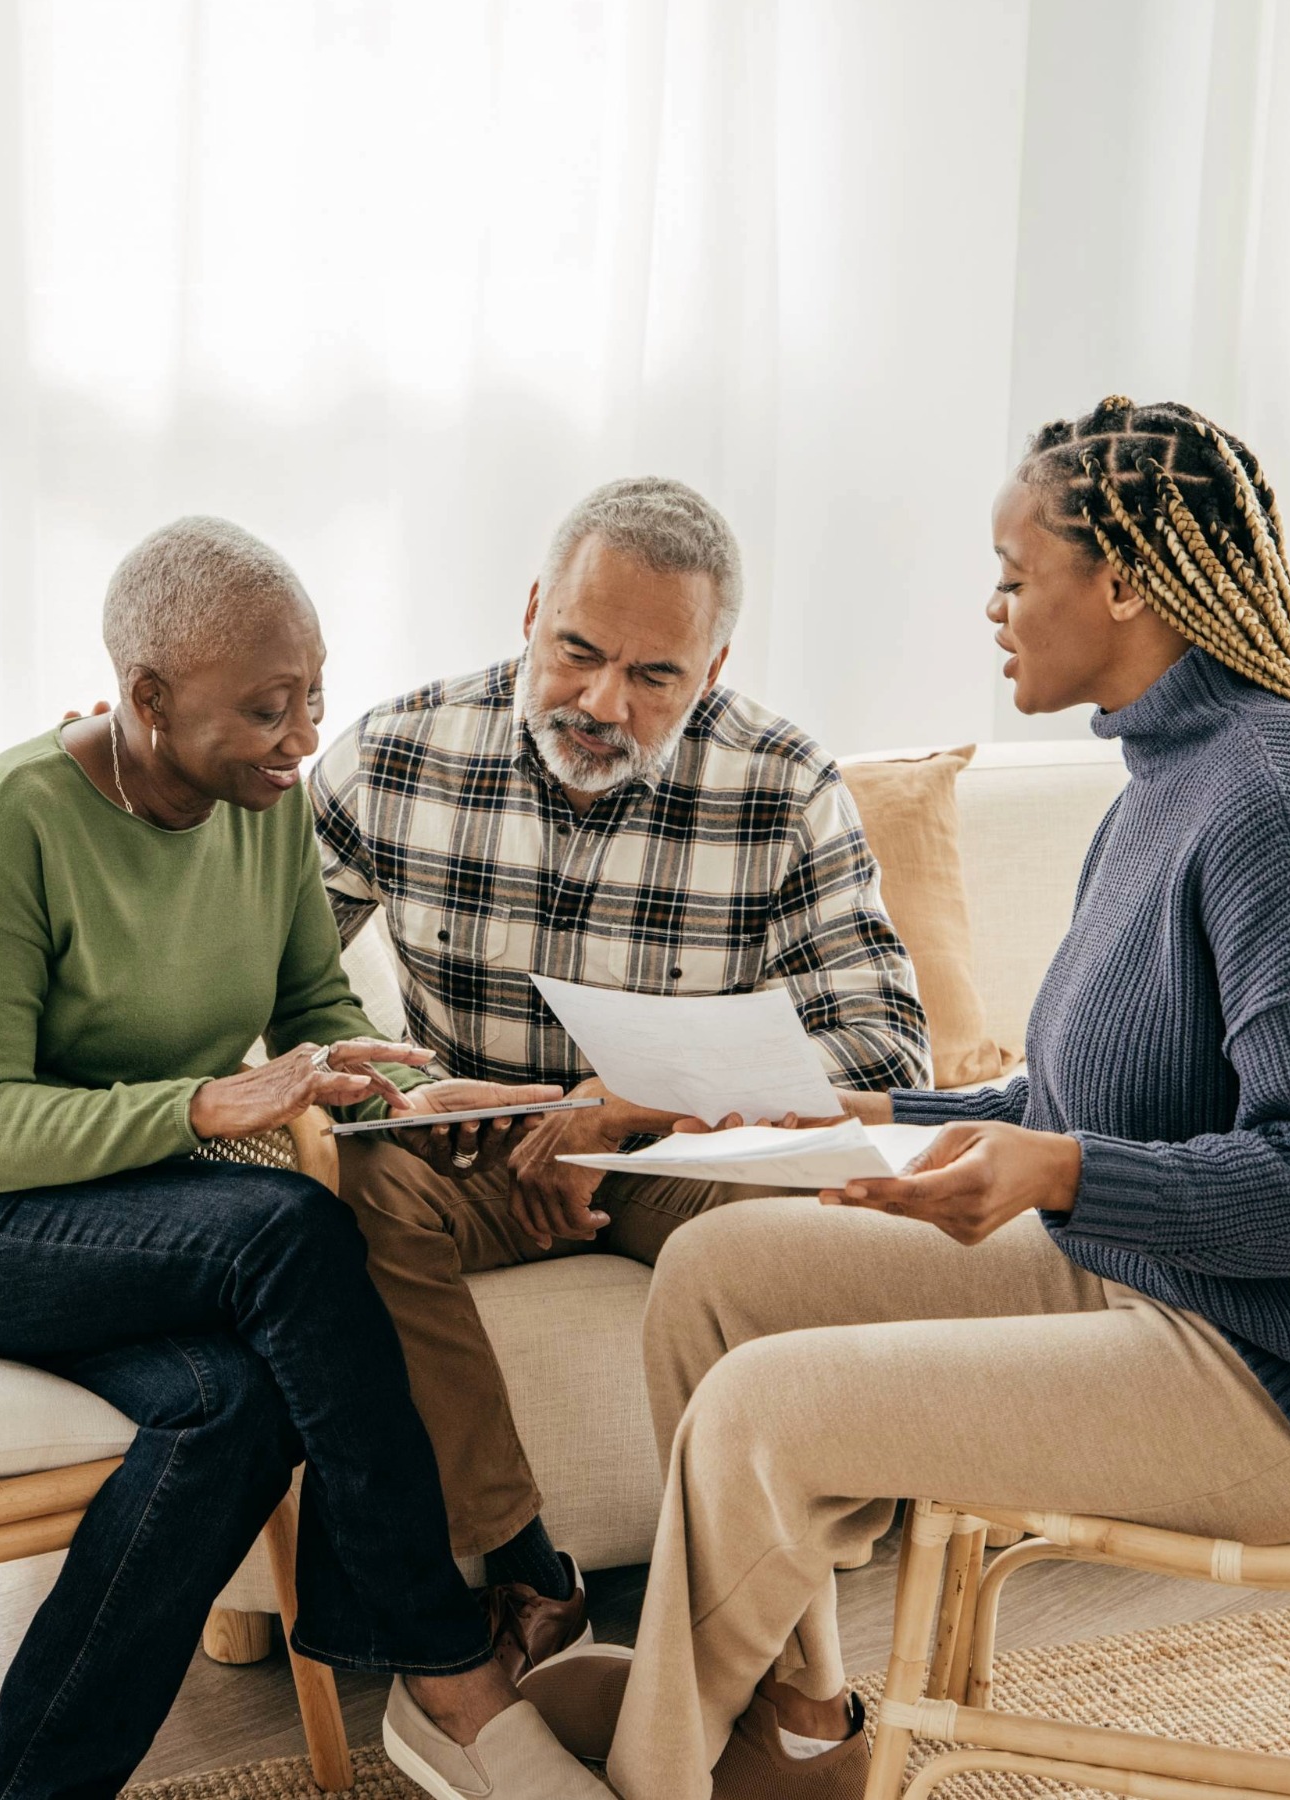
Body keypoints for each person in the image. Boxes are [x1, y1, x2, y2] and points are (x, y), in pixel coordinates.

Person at [531, 401, 1290, 1800]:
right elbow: (1086, 1089)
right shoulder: (1167, 777)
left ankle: (654, 1774)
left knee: (765, 1411)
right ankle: (795, 1729)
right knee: (716, 1277)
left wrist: (1057, 1176)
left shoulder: (1273, 803)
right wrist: (855, 1116)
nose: (992, 607)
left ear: (1122, 584)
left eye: (1012, 573)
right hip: (1162, 1282)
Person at [0, 518, 618, 1800]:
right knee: (282, 1229)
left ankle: (11, 1788)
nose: (303, 738)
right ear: (144, 699)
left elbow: (317, 1015)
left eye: (310, 695)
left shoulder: (262, 813)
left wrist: (412, 1083)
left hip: (107, 1217)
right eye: (264, 709)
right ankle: (446, 1666)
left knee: (230, 1408)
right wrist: (202, 1106)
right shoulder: (11, 826)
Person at [308, 477, 931, 1675]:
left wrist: (628, 1110)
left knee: (812, 1215)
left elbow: (881, 1052)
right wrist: (406, 1091)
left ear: (712, 665)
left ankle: (763, 1621)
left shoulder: (783, 783)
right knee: (351, 1191)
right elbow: (271, 988)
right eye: (576, 653)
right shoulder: (394, 754)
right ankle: (522, 1570)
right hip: (465, 1146)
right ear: (533, 609)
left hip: (678, 1152)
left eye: (654, 678)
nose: (601, 703)